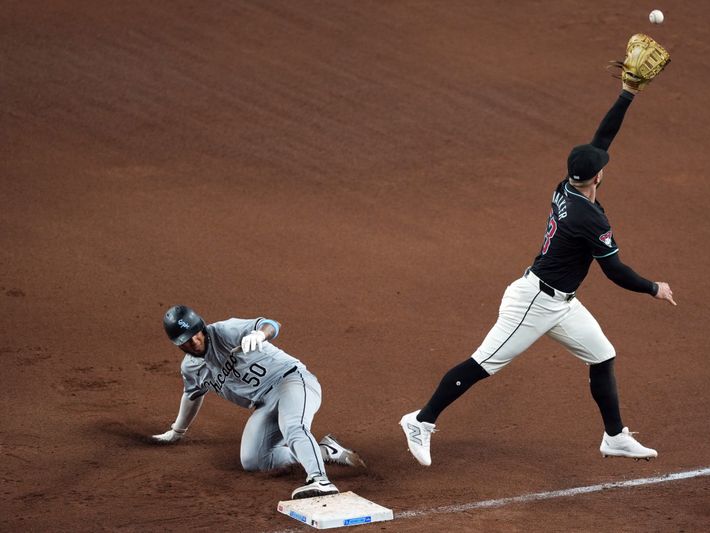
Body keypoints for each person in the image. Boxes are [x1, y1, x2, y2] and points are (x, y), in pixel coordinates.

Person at [400, 79, 676, 467]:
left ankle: (614, 436)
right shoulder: (587, 217)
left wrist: (628, 92)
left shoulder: (567, 186)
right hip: (533, 303)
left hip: (560, 302)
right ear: (597, 177)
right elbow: (613, 271)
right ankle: (420, 420)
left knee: (602, 355)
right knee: (483, 364)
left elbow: (602, 137)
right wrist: (653, 288)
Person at [152, 305, 365, 499]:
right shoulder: (190, 368)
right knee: (254, 460)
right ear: (177, 344)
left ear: (201, 327)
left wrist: (259, 334)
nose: (194, 342)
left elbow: (272, 324)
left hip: (292, 381)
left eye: (195, 334)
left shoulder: (225, 331)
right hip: (265, 404)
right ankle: (326, 451)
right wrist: (178, 431)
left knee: (293, 427)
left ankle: (320, 480)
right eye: (186, 341)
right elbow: (192, 395)